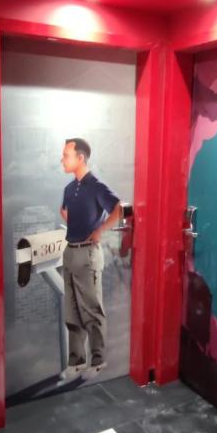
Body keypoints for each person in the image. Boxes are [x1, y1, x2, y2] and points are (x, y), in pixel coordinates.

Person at [58, 137, 122, 380]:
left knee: (92, 308)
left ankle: (98, 358)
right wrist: (69, 217)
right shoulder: (68, 188)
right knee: (71, 309)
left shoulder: (96, 185)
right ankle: (76, 361)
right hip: (70, 251)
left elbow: (118, 208)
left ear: (80, 157)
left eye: (66, 155)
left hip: (87, 253)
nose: (62, 159)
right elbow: (65, 211)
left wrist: (100, 230)